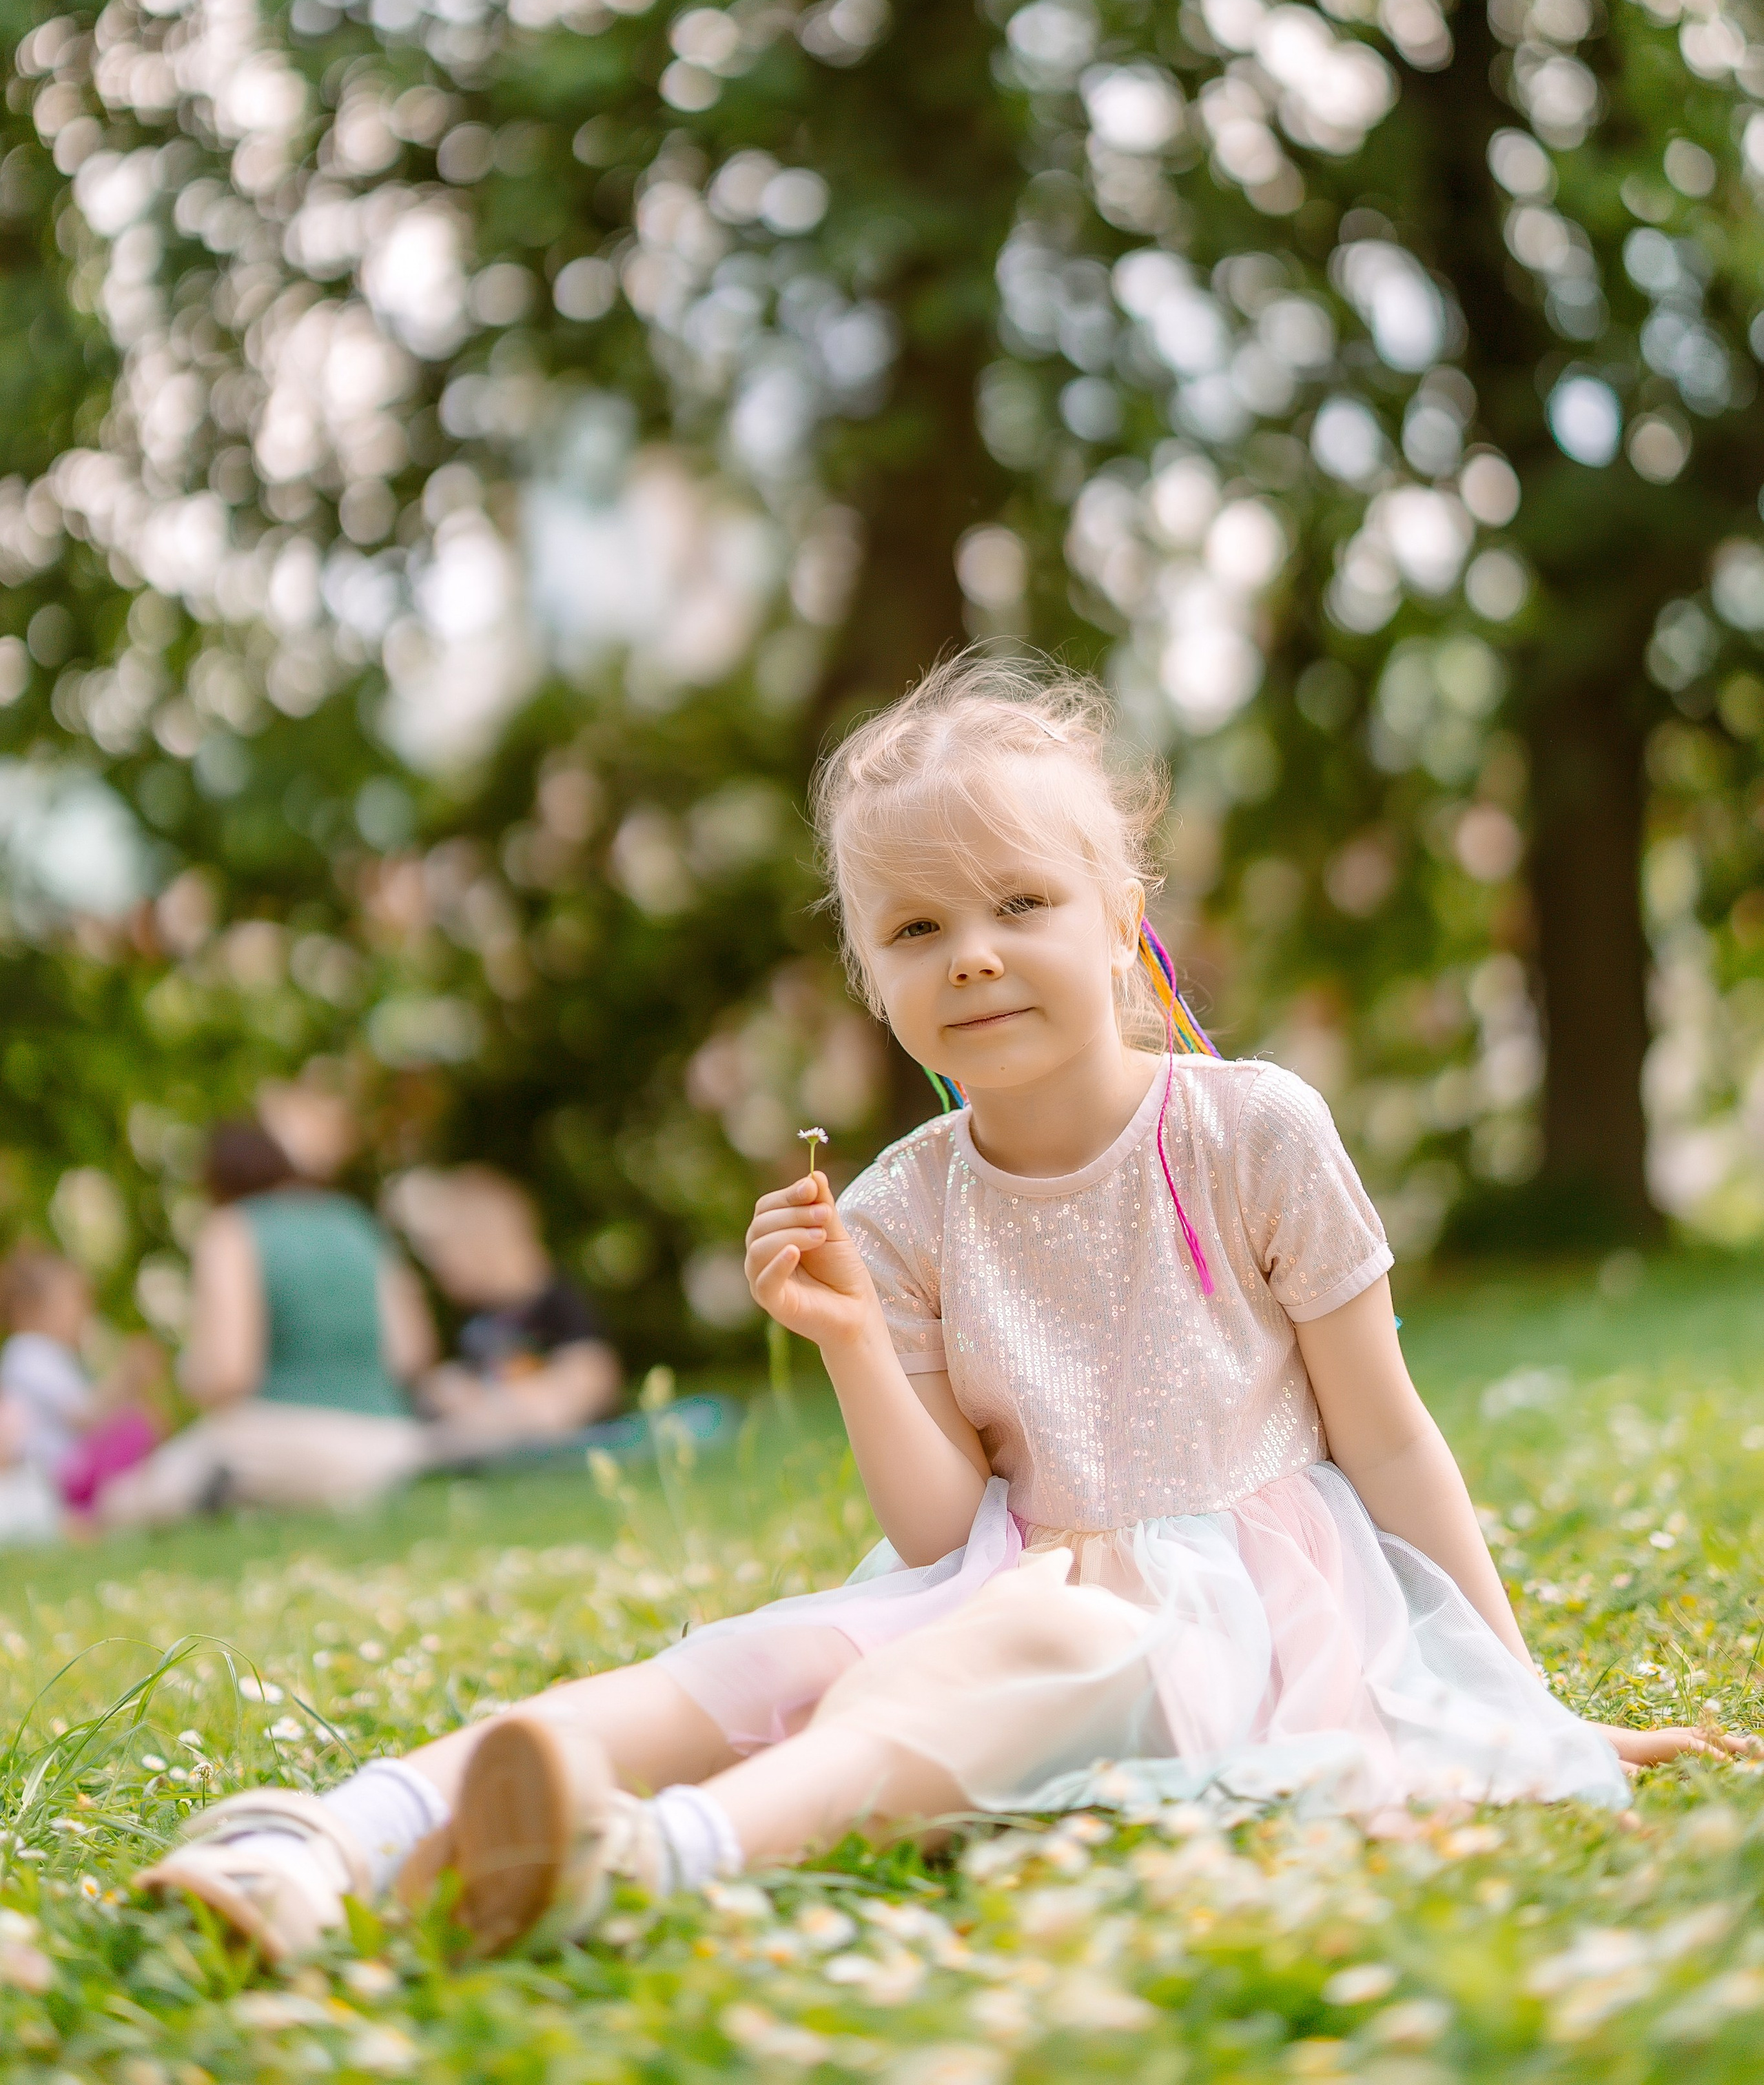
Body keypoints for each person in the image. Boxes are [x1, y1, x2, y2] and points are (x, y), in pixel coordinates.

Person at [138, 656, 1741, 1962]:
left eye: (1018, 903)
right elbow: (928, 1530)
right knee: (755, 1658)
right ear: (872, 972)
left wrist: (1519, 1698)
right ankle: (333, 1830)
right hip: (994, 1571)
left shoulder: (1252, 1128)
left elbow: (1387, 1436)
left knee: (1010, 1643)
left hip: (1228, 1612)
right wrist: (843, 1333)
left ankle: (655, 1855)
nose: (969, 954)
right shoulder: (904, 1203)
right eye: (914, 928)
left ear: (1119, 913)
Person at [99, 1122, 435, 1528]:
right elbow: (411, 1354)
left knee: (118, 1505)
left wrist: (188, 1373)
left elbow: (231, 1374)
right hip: (394, 1447)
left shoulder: (233, 1229)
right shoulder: (355, 1224)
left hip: (282, 1443)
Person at [385, 1166, 620, 1454]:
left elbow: (593, 1365)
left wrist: (548, 1393)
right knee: (444, 1389)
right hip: (499, 1409)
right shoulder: (475, 1318)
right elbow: (471, 1377)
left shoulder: (554, 1298)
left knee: (580, 1378)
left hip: (548, 1405)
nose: (438, 1269)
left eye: (445, 1253)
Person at [0, 1242, 161, 1516]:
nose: (83, 1315)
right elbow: (84, 1417)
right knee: (137, 1427)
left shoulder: (53, 1356)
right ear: (32, 1309)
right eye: (72, 1303)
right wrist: (126, 1380)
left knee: (139, 1422)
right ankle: (92, 1509)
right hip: (55, 1473)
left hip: (66, 1469)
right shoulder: (29, 1351)